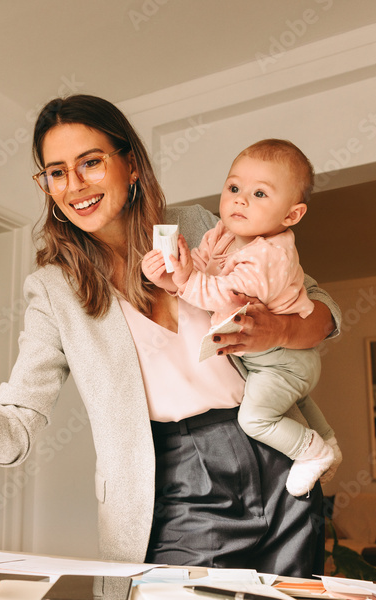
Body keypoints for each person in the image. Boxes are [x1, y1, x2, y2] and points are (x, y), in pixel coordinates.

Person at [0, 95, 341, 576]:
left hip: (281, 451)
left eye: (91, 162)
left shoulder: (200, 224)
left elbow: (325, 316)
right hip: (174, 483)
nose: (75, 184)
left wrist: (280, 329)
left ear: (132, 164)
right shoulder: (54, 290)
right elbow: (13, 430)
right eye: (56, 172)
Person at [141, 139, 339, 498]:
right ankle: (327, 439)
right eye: (234, 188)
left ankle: (312, 452)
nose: (240, 199)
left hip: (284, 360)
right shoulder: (223, 233)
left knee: (256, 418)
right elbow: (201, 266)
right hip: (265, 360)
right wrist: (170, 277)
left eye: (260, 194)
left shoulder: (270, 256)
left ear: (291, 215)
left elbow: (224, 295)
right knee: (297, 402)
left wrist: (185, 280)